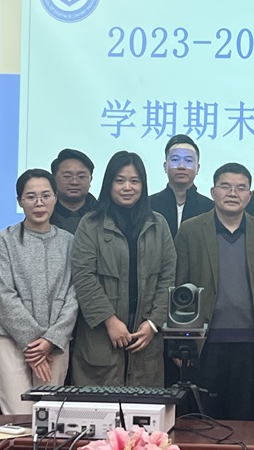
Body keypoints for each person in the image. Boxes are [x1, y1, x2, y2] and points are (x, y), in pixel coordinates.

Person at [174, 162, 254, 420]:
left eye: (241, 188)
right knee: (205, 420)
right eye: (226, 186)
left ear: (249, 195)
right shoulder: (190, 230)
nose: (233, 193)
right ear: (213, 192)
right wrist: (180, 343)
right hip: (205, 343)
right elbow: (178, 288)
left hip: (252, 345)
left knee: (246, 419)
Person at [70, 151, 176, 386]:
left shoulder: (158, 224)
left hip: (146, 334)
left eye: (134, 181)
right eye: (120, 180)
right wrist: (110, 321)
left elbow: (168, 278)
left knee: (143, 404)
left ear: (143, 185)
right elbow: (83, 276)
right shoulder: (90, 224)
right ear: (109, 184)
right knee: (99, 404)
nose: (127, 187)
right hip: (101, 335)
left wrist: (153, 324)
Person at [0, 168, 78, 414]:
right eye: (31, 196)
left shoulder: (69, 242)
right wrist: (34, 344)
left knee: (48, 416)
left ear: (55, 198)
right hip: (9, 339)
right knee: (18, 416)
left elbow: (74, 296)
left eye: (46, 195)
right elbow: (4, 296)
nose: (39, 203)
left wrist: (50, 340)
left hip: (54, 341)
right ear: (20, 201)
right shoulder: (4, 241)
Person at [150, 134, 214, 238]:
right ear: (165, 166)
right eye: (175, 160)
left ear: (198, 168)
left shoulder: (210, 208)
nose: (181, 166)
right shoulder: (148, 206)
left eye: (188, 160)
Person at [50, 148, 97, 234]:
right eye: (67, 176)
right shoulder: (44, 215)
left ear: (90, 180)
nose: (74, 182)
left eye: (81, 177)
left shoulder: (103, 215)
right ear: (53, 179)